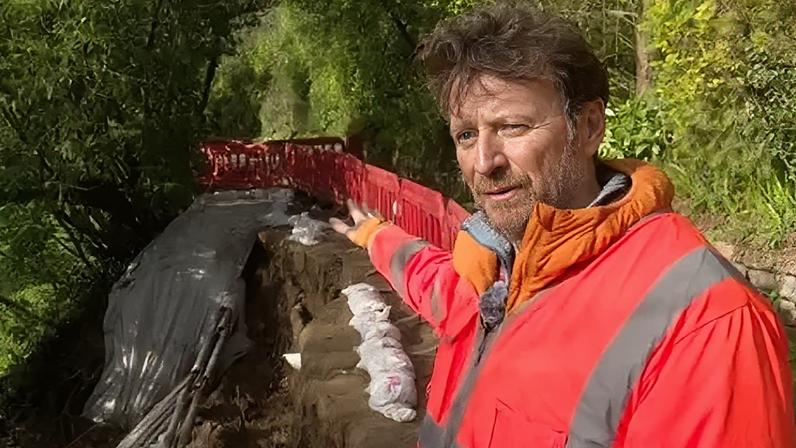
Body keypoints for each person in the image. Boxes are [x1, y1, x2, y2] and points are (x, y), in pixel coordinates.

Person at [330, 4, 795, 447]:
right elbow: (435, 284)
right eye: (466, 135)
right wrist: (374, 235)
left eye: (512, 126)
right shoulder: (494, 268)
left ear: (590, 126)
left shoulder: (706, 323)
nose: (483, 162)